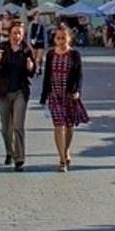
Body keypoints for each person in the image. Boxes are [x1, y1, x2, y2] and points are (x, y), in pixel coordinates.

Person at [39, 25, 88, 172]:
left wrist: (78, 91)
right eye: (58, 38)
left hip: (69, 94)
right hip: (54, 94)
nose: (60, 41)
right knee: (58, 126)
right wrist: (44, 95)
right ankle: (61, 158)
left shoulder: (74, 55)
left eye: (63, 38)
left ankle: (66, 150)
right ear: (54, 39)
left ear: (69, 38)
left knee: (69, 125)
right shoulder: (51, 54)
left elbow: (79, 75)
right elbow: (47, 75)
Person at [0, 19, 37, 170]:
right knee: (5, 128)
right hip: (3, 92)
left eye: (20, 33)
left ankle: (19, 158)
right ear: (9, 34)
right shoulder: (2, 48)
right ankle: (9, 151)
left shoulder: (26, 50)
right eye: (15, 33)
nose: (17, 36)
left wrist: (30, 67)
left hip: (20, 92)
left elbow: (32, 72)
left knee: (17, 125)